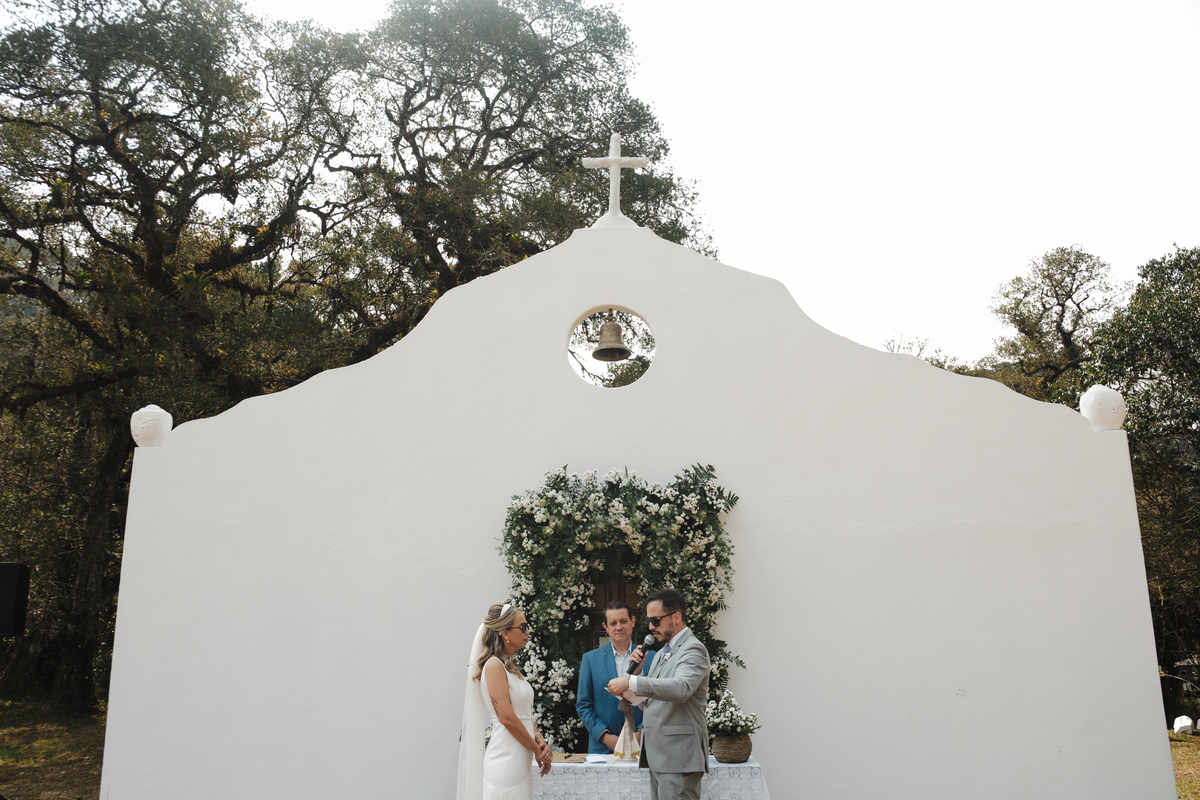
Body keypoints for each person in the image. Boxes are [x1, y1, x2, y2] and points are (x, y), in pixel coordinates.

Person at [605, 588, 710, 800]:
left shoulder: (693, 649)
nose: (651, 627)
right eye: (649, 621)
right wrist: (637, 674)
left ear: (676, 617)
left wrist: (631, 681)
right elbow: (649, 702)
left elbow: (681, 688)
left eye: (656, 620)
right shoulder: (664, 652)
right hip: (659, 756)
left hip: (677, 757)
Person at [456, 603, 552, 800]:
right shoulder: (493, 666)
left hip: (519, 762)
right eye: (522, 627)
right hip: (505, 763)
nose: (528, 631)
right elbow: (507, 717)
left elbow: (524, 712)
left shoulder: (511, 668)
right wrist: (537, 752)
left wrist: (538, 739)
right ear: (505, 633)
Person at [576, 600, 656, 754]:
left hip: (643, 745)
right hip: (603, 747)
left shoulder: (652, 658)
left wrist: (640, 733)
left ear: (632, 622)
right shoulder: (590, 659)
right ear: (605, 627)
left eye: (623, 621)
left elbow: (657, 702)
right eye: (613, 623)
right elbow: (583, 705)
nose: (619, 627)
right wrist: (605, 737)